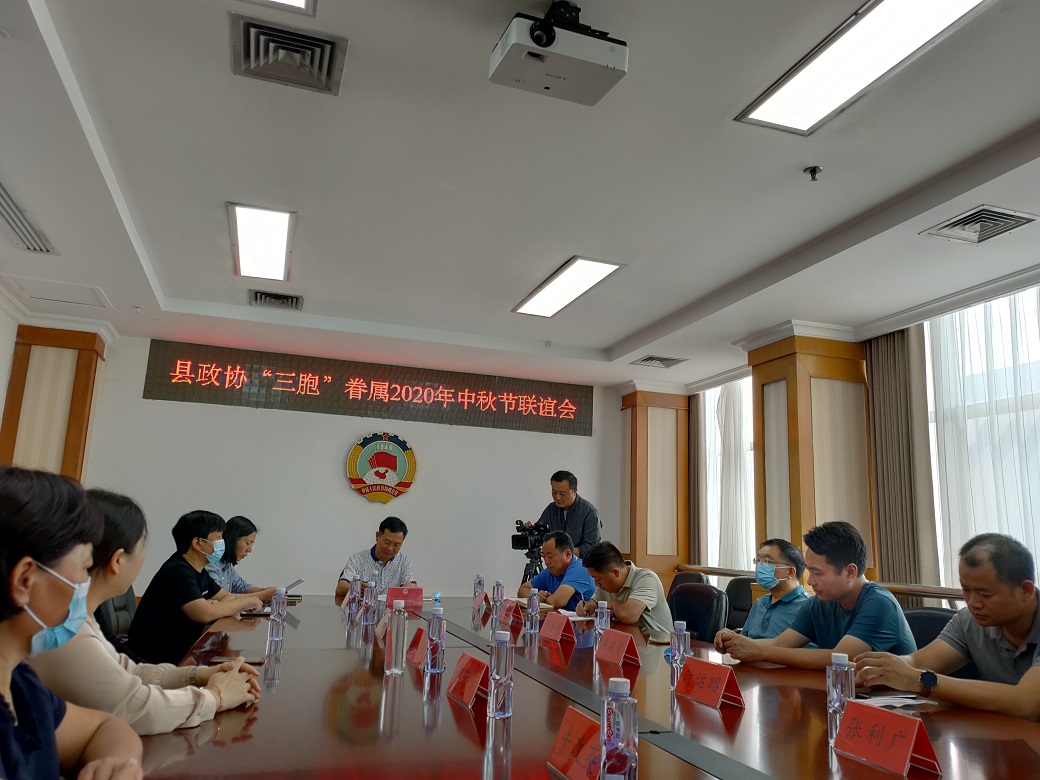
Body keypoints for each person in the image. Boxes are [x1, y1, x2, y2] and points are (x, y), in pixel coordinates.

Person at [29, 489, 261, 735]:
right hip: (160, 654)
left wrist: (197, 675)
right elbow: (133, 707)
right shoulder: (61, 624)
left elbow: (128, 669)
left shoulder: (82, 613)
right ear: (118, 560)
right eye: (142, 546)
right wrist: (217, 696)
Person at [0, 467, 143, 780]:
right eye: (84, 568)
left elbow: (105, 727)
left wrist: (117, 764)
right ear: (25, 580)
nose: (85, 584)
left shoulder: (20, 682)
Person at [855, 533, 1040, 720]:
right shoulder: (969, 621)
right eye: (966, 590)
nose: (972, 603)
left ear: (1025, 591)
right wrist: (870, 671)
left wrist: (921, 680)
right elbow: (916, 663)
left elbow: (1027, 702)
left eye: (985, 594)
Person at [714, 521, 916, 669]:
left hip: (896, 705)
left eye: (817, 573)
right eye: (809, 571)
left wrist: (759, 651)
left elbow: (840, 658)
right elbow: (780, 643)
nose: (810, 581)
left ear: (850, 572)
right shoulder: (819, 603)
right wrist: (737, 643)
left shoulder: (879, 603)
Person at [127, 511, 262, 665]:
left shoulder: (199, 570)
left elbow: (227, 596)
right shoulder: (178, 571)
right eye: (218, 539)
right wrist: (247, 602)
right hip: (154, 660)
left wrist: (215, 606)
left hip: (182, 652)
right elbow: (205, 614)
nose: (222, 544)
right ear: (198, 543)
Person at [575, 542, 672, 642]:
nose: (596, 584)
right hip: (627, 640)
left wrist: (613, 604)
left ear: (615, 572)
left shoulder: (647, 579)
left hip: (657, 646)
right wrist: (586, 608)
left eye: (598, 579)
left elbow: (629, 615)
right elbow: (594, 604)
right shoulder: (605, 584)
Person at [741, 538, 810, 640]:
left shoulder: (808, 607)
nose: (760, 566)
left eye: (768, 561)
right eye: (758, 561)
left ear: (790, 572)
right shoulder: (760, 603)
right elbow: (744, 638)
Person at [334, 517, 417, 598]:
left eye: (396, 545)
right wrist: (358, 588)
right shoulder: (357, 559)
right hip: (364, 606)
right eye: (387, 542)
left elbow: (413, 587)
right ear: (377, 536)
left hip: (392, 607)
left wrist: (409, 588)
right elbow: (341, 588)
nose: (390, 548)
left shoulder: (404, 562)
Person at [516, 532, 596, 611]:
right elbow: (522, 590)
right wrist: (537, 596)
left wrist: (546, 599)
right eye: (544, 556)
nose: (546, 561)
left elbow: (557, 601)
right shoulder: (551, 571)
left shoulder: (580, 568)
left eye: (550, 556)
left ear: (568, 554)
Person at [205, 516, 277, 601]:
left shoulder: (227, 564)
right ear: (233, 539)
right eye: (248, 543)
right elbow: (218, 597)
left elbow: (242, 587)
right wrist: (262, 595)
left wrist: (265, 591)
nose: (249, 550)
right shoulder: (210, 562)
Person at [536, 471, 601, 557]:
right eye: (554, 492)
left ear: (574, 491)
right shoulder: (551, 509)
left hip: (581, 563)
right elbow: (540, 532)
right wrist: (531, 530)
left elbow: (591, 549)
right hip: (555, 562)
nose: (557, 497)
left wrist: (561, 552)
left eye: (562, 494)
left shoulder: (589, 512)